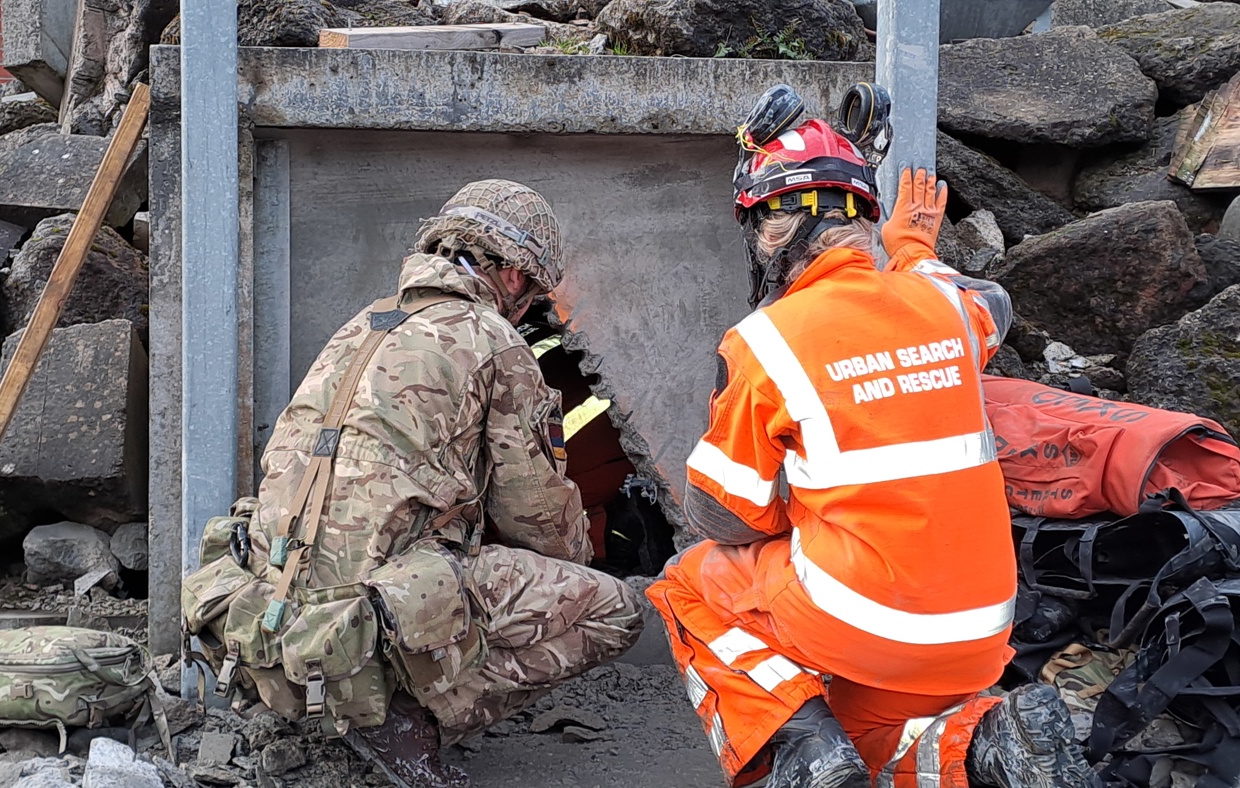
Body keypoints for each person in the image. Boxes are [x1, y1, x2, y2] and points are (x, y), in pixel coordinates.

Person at [646, 102, 1097, 788]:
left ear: (769, 232)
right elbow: (992, 303)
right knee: (870, 744)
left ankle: (801, 749)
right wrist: (913, 249)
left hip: (861, 618)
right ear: (863, 222)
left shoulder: (765, 341)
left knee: (688, 582)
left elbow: (722, 516)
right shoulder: (944, 305)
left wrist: (806, 515)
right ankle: (988, 743)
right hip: (978, 631)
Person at [256, 179, 642, 787]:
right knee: (613, 610)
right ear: (511, 276)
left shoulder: (363, 324)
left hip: (279, 603)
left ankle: (352, 694)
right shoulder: (494, 339)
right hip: (373, 606)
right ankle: (406, 720)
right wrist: (576, 565)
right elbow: (539, 518)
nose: (529, 308)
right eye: (533, 293)